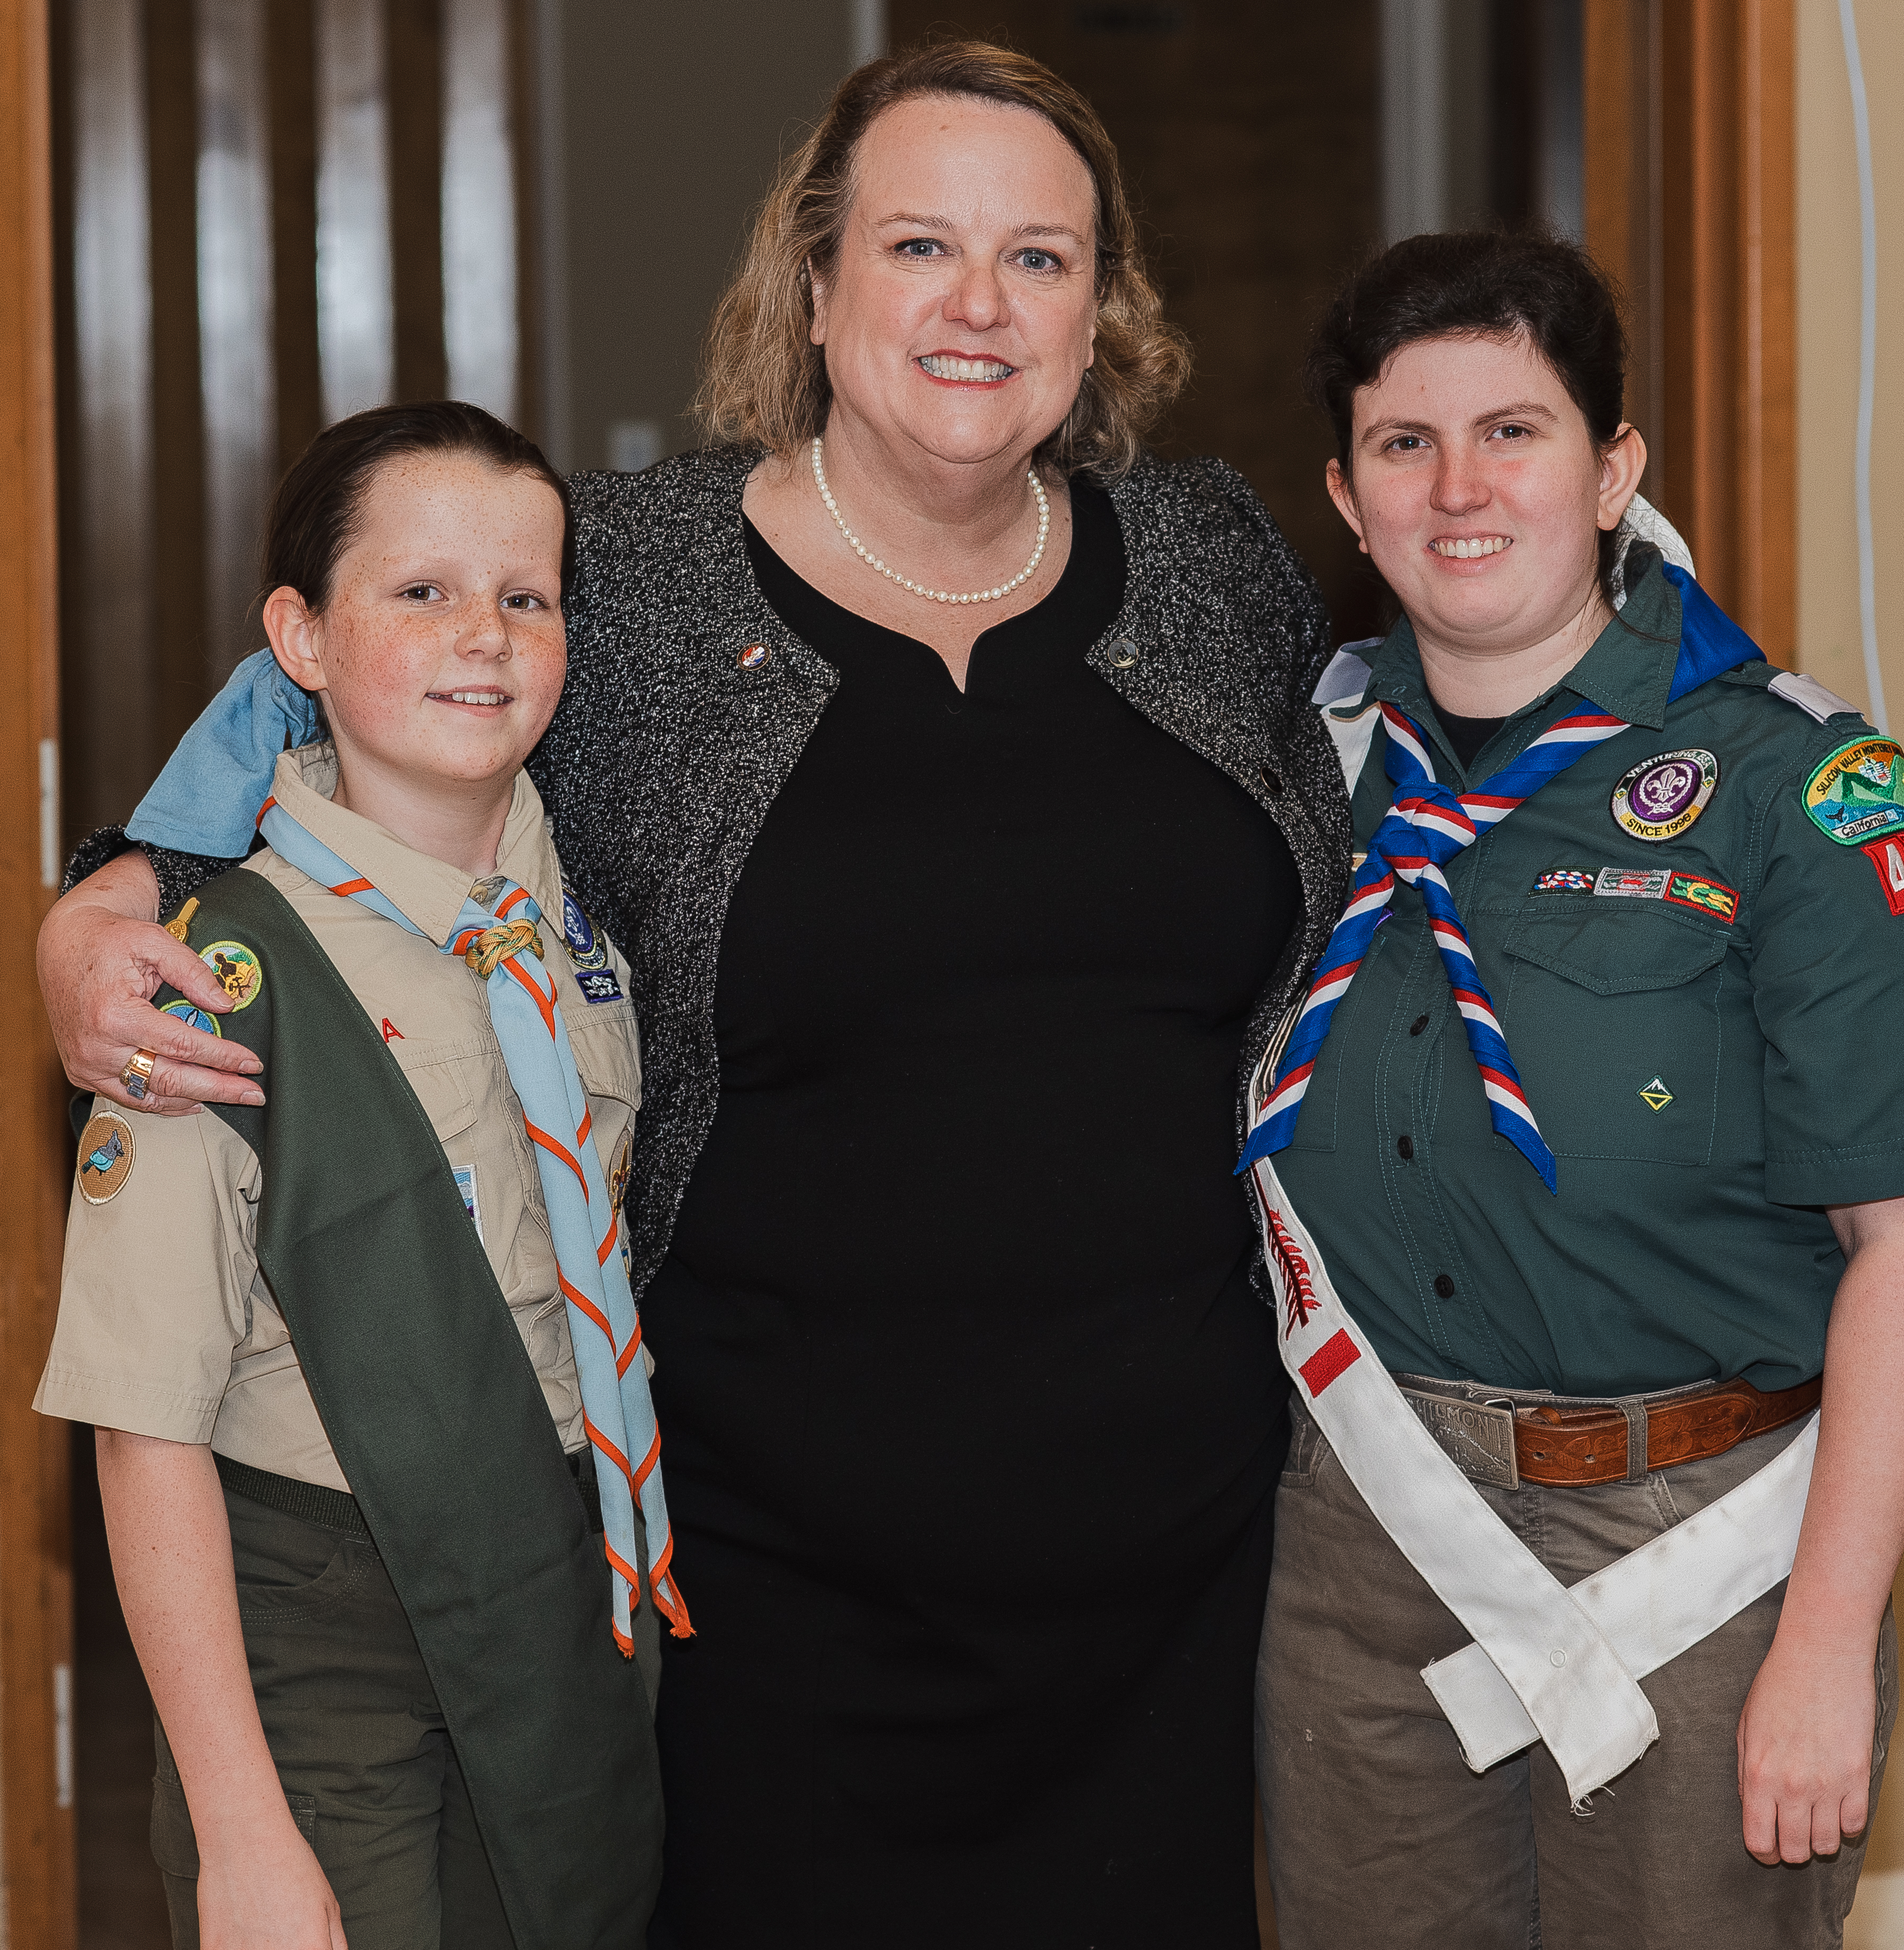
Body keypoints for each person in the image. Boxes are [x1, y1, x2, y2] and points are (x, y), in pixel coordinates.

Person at [36, 44, 1350, 1949]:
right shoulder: (629, 575)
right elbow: (337, 696)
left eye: (1040, 257)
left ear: (1104, 308)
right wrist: (105, 900)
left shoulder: (1219, 562)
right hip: (762, 1573)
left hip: (1176, 1556)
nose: (980, 305)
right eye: (919, 244)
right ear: (814, 288)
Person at [1248, 230, 1904, 1948]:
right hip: (1369, 1534)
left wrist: (1822, 1650)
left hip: (1698, 1548)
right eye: (1404, 445)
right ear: (1346, 495)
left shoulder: (1800, 781)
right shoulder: (1298, 775)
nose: (1458, 487)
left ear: (1614, 468)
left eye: (1516, 430)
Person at [38, 403, 680, 1949]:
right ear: (299, 642)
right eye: (421, 592)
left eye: (526, 598)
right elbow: (145, 1433)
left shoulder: (582, 934)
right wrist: (243, 1828)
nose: (485, 636)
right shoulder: (208, 982)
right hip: (318, 1618)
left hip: (554, 1587)